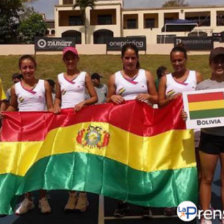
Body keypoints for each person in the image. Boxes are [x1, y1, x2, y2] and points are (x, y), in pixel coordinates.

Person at [107, 43, 158, 217]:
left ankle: (145, 203)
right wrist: (111, 97)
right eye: (127, 58)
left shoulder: (146, 75)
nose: (130, 61)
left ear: (137, 59)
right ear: (122, 59)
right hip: (122, 130)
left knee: (143, 165)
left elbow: (158, 98)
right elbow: (107, 104)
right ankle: (122, 203)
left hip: (144, 128)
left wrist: (149, 96)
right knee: (122, 168)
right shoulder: (114, 78)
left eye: (133, 58)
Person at [6, 55, 54, 215]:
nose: (28, 70)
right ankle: (28, 199)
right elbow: (13, 106)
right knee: (25, 166)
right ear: (20, 69)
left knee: (40, 166)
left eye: (30, 67)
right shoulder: (15, 88)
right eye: (24, 67)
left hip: (41, 131)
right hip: (24, 133)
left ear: (35, 67)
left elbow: (50, 107)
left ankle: (42, 198)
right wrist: (4, 113)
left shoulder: (44, 84)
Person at [158, 45, 203, 216]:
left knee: (196, 167)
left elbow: (202, 100)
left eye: (180, 60)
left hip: (195, 130)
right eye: (174, 60)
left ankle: (195, 200)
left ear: (185, 59)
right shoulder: (165, 79)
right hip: (173, 131)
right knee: (174, 168)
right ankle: (172, 200)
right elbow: (160, 103)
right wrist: (172, 99)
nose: (177, 63)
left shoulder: (195, 76)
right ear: (171, 61)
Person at [54, 46, 97, 212]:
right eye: (67, 58)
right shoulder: (59, 77)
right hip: (65, 123)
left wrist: (83, 103)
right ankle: (72, 195)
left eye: (72, 58)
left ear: (77, 59)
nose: (70, 61)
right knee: (69, 159)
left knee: (81, 158)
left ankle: (83, 196)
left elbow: (94, 97)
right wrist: (57, 106)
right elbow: (57, 98)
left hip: (81, 122)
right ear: (64, 60)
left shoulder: (84, 75)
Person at [196, 47, 224, 224]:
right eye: (216, 61)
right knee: (206, 178)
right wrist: (188, 115)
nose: (219, 64)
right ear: (210, 63)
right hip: (209, 138)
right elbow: (193, 113)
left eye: (223, 61)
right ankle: (206, 214)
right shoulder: (202, 86)